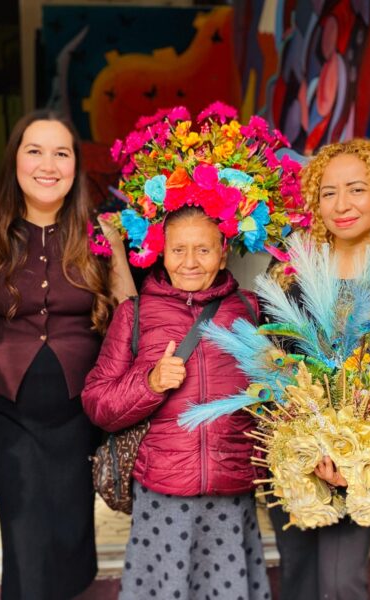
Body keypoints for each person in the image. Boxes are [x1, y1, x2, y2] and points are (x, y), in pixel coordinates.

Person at [0, 110, 134, 600]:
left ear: (75, 165)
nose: (47, 164)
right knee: (24, 530)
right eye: (34, 151)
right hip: (3, 409)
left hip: (80, 410)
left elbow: (128, 313)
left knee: (70, 526)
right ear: (14, 160)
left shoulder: (101, 232)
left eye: (61, 153)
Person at [268, 138, 370, 600]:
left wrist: (357, 455)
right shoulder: (292, 274)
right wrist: (304, 441)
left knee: (341, 584)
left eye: (357, 189)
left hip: (364, 462)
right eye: (328, 192)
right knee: (297, 578)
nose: (341, 205)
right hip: (298, 455)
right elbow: (273, 363)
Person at [82, 206, 270, 600]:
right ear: (162, 254)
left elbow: (276, 396)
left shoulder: (251, 309)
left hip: (232, 489)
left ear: (223, 254)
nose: (190, 262)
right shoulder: (134, 314)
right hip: (162, 495)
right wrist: (150, 383)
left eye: (203, 250)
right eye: (178, 250)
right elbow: (98, 403)